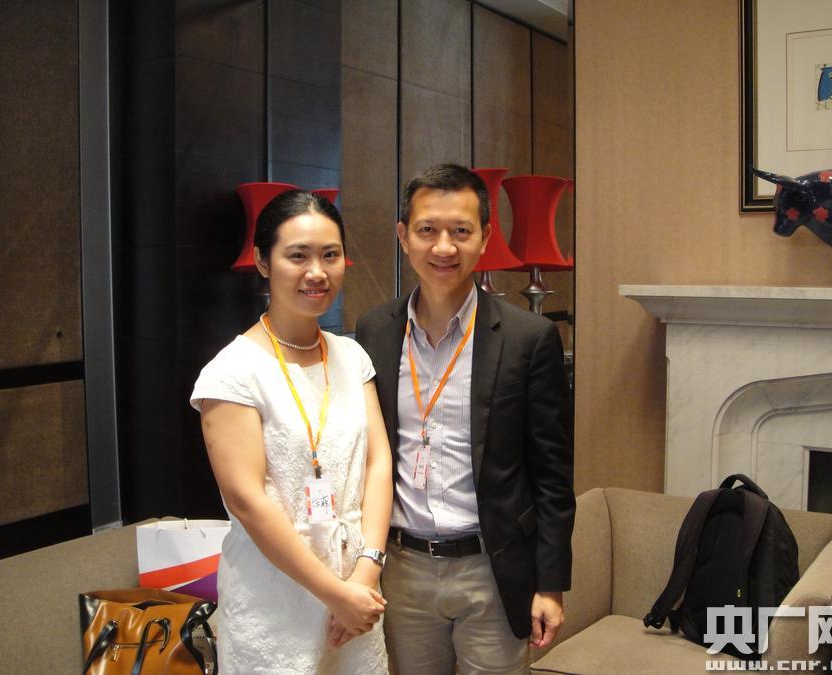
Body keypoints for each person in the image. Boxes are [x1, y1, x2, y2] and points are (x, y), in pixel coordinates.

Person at [355, 164, 575, 674]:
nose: (443, 247)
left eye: (461, 231)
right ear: (402, 236)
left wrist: (550, 583)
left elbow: (552, 474)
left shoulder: (528, 338)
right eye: (427, 230)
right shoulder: (375, 330)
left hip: (491, 567)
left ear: (485, 237)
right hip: (402, 568)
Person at [191, 190, 392, 674]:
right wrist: (335, 594)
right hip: (274, 595)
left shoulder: (351, 356)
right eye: (297, 256)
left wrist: (367, 572)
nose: (317, 272)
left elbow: (377, 463)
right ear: (263, 261)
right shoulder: (233, 372)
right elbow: (246, 500)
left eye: (330, 255)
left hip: (356, 585)